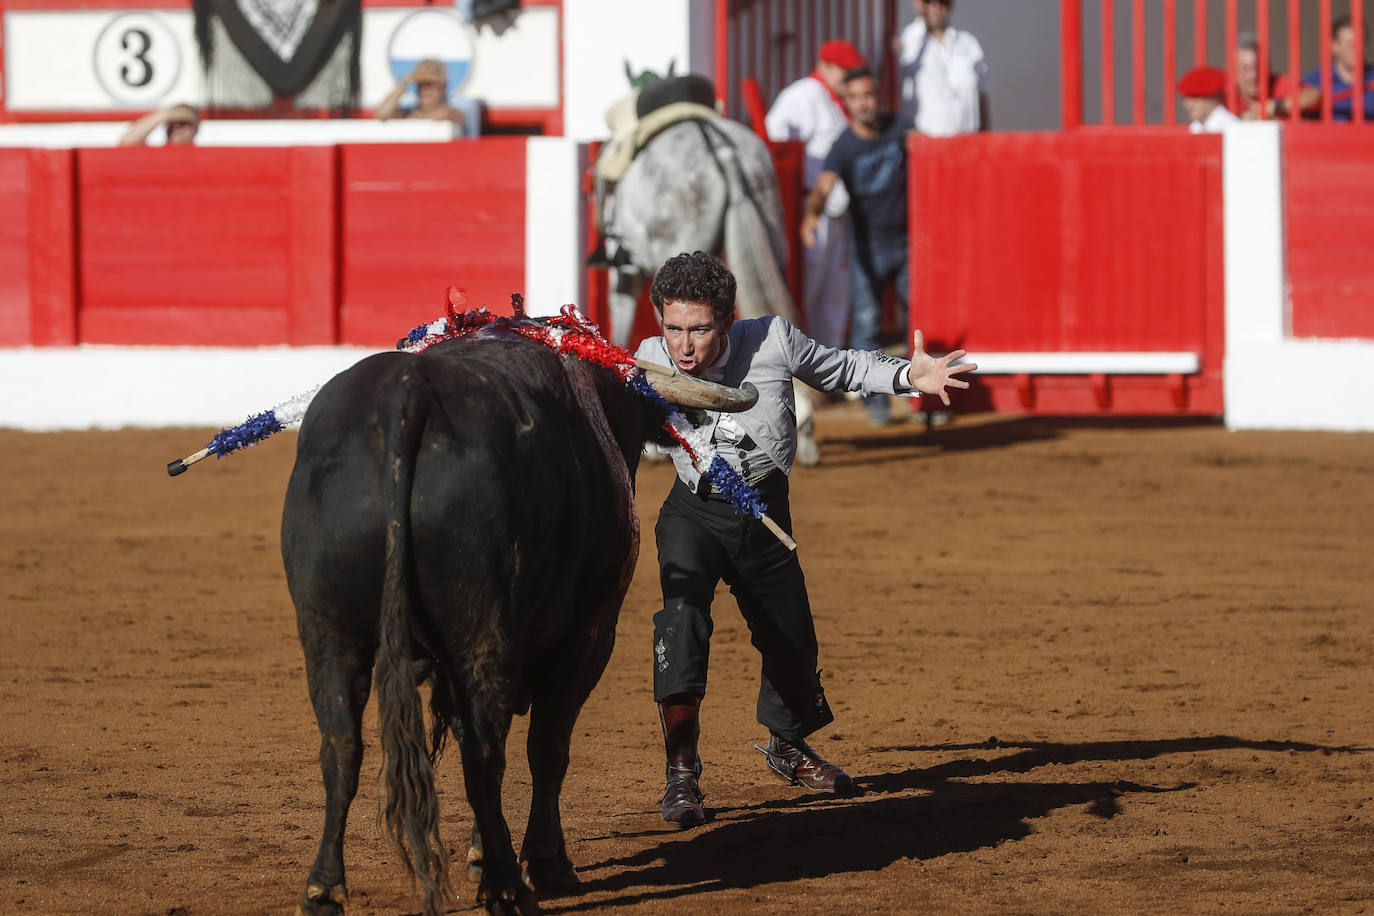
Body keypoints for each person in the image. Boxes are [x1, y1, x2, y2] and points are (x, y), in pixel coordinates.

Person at [635, 250, 974, 828]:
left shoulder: (772, 339)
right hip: (693, 513)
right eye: (672, 328)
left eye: (699, 329)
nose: (683, 346)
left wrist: (907, 376)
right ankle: (682, 772)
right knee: (681, 620)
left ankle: (788, 745)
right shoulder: (646, 361)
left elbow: (840, 368)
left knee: (792, 642)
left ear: (728, 317)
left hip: (767, 515)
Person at [802, 67, 911, 426]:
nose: (865, 103)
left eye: (870, 95)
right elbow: (825, 184)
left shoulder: (900, 128)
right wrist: (812, 215)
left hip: (910, 242)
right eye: (857, 97)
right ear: (846, 103)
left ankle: (925, 402)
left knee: (919, 319)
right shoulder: (843, 147)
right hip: (867, 247)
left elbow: (930, 153)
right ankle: (877, 406)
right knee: (867, 325)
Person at [764, 38, 865, 351]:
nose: (848, 77)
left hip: (835, 208)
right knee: (808, 288)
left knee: (834, 292)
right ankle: (796, 363)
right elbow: (776, 144)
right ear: (826, 66)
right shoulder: (803, 95)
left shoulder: (834, 98)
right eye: (843, 70)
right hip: (810, 207)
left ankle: (828, 367)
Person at [898, 0, 989, 137]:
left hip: (966, 142)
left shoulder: (968, 43)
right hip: (925, 143)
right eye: (928, 1)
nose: (936, 6)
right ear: (918, 3)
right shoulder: (904, 42)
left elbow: (982, 95)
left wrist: (984, 140)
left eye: (943, 1)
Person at [1299, 16, 1374, 122]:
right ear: (1334, 46)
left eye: (1361, 42)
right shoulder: (1313, 83)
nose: (1357, 50)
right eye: (1350, 44)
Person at [375, 58, 477, 135]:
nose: (424, 90)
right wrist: (403, 84)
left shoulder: (462, 104)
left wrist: (414, 118)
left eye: (429, 84)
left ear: (443, 85)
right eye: (420, 84)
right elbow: (382, 114)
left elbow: (445, 114)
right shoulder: (411, 108)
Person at [1233, 31, 1319, 120]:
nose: (1253, 75)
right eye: (1245, 69)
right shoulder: (1226, 95)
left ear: (1268, 67)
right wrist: (1240, 120)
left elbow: (1314, 96)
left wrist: (1276, 106)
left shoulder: (1279, 83)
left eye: (1258, 67)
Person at [1178, 66, 1238, 133]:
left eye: (1195, 97)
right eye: (1185, 98)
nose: (1188, 106)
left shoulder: (1232, 126)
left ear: (1213, 97)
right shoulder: (1196, 126)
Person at [118, 103, 200, 147]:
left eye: (183, 123)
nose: (176, 126)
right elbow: (126, 144)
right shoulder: (157, 155)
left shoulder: (202, 157)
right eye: (172, 122)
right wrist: (164, 115)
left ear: (196, 128)